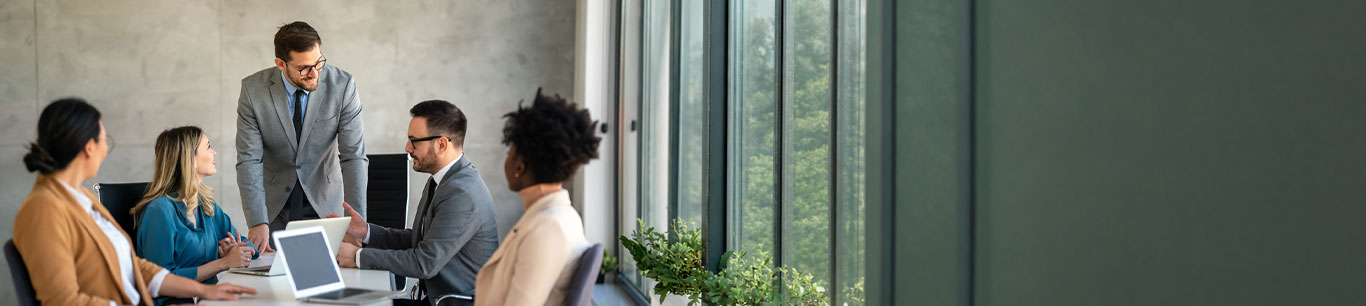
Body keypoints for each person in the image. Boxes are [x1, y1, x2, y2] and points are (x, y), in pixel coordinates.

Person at [13, 98, 256, 306]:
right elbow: (62, 301)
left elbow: (133, 267)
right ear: (89, 147)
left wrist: (205, 291)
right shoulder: (43, 209)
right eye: (105, 141)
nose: (106, 150)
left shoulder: (80, 198)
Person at [331, 100, 499, 305]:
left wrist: (358, 256)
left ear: (441, 144)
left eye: (414, 141)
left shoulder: (461, 193)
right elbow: (419, 241)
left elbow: (424, 262)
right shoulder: (442, 180)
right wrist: (366, 231)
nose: (407, 147)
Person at [236, 20, 368, 252]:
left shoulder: (343, 86)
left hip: (325, 204)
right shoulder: (253, 91)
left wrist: (357, 222)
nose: (314, 73)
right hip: (274, 208)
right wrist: (258, 220)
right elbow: (249, 160)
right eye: (304, 68)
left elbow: (353, 156)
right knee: (275, 281)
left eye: (318, 63)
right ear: (280, 63)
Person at [473, 89, 600, 305]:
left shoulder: (548, 228)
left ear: (519, 167)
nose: (506, 161)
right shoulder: (560, 216)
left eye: (509, 154)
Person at [131, 126, 257, 306]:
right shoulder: (159, 211)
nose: (214, 152)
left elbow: (246, 243)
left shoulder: (206, 205)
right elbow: (159, 279)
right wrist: (223, 262)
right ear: (190, 159)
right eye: (208, 146)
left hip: (208, 298)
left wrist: (238, 250)